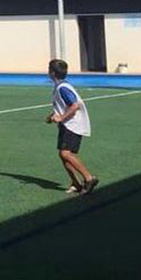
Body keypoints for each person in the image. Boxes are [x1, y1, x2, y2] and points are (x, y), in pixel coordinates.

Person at [46, 59, 98, 194]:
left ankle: (89, 178)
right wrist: (54, 116)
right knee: (63, 155)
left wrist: (62, 118)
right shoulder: (61, 86)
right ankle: (76, 183)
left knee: (66, 153)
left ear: (52, 73)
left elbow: (74, 105)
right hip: (67, 125)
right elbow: (64, 106)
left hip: (73, 125)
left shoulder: (62, 88)